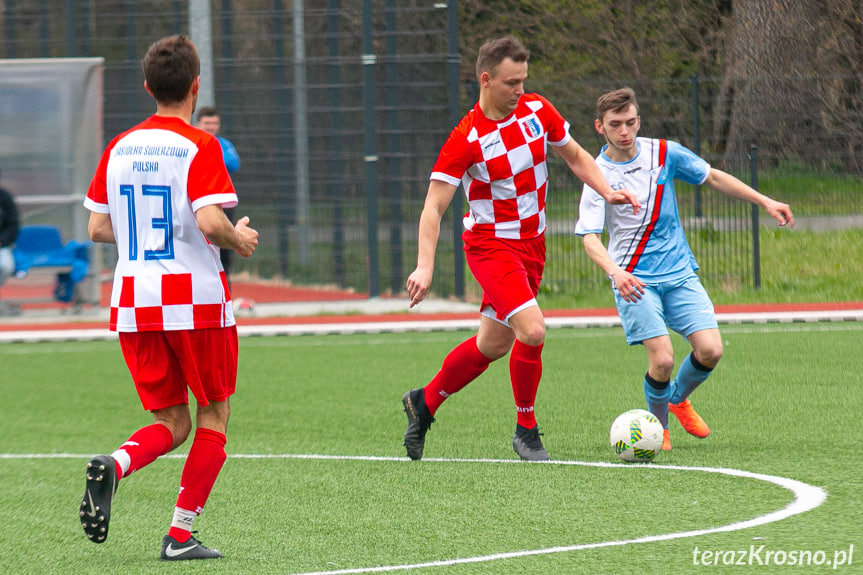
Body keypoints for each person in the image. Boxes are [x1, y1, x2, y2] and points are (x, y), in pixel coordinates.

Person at [402, 36, 640, 462]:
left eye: (523, 81)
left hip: (532, 245)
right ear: (486, 79)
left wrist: (608, 191)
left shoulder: (537, 110)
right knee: (532, 331)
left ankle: (424, 403)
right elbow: (433, 207)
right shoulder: (466, 137)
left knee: (492, 345)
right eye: (511, 82)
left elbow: (576, 155)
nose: (519, 90)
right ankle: (526, 430)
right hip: (491, 247)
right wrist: (424, 267)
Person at [80, 35, 258, 561]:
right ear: (195, 87)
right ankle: (180, 535)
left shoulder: (119, 145)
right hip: (194, 300)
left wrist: (145, 236)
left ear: (147, 87)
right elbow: (208, 220)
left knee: (170, 422)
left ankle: (116, 464)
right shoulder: (199, 146)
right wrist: (238, 238)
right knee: (213, 416)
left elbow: (96, 228)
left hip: (134, 300)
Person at [575, 87, 794, 450]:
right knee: (662, 358)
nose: (625, 131)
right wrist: (616, 272)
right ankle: (658, 432)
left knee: (711, 350)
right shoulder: (596, 175)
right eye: (616, 124)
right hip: (634, 279)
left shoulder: (663, 153)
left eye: (631, 122)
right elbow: (589, 238)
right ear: (601, 127)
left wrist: (764, 200)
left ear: (639, 120)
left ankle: (676, 399)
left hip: (678, 273)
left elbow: (712, 176)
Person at [196, 106, 240, 286]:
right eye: (207, 123)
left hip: (222, 203)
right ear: (198, 123)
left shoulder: (223, 144)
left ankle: (225, 291)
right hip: (198, 204)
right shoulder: (191, 141)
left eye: (215, 123)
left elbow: (234, 163)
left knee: (224, 250)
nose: (211, 127)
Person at [0, 168, 21, 315]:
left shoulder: (4, 198)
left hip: (1, 246)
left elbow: (13, 224)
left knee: (5, 266)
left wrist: (2, 241)